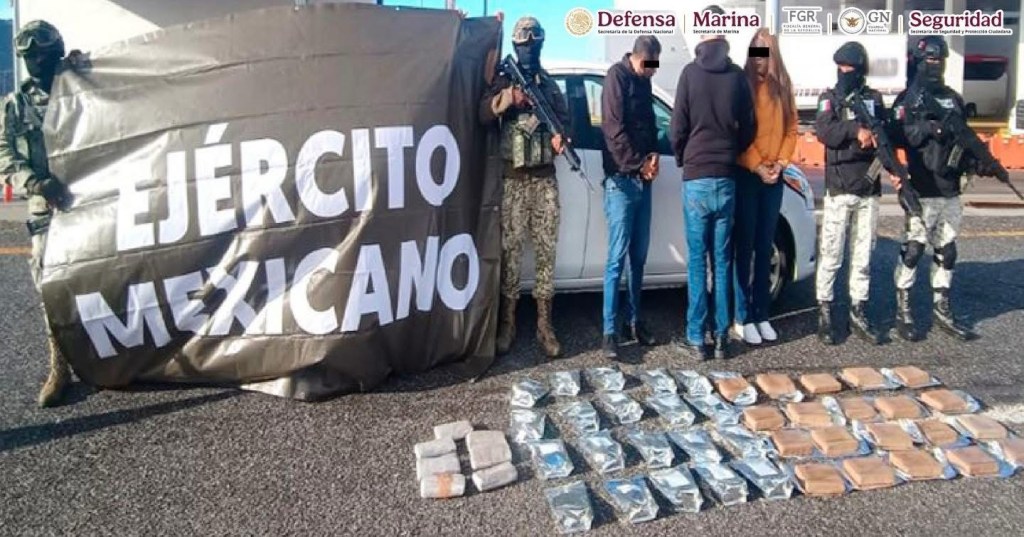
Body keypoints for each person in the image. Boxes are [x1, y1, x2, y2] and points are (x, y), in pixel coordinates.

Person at [669, 5, 756, 360]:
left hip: (697, 177)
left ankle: (696, 338)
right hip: (726, 176)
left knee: (696, 263)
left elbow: (677, 127)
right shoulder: (737, 76)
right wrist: (731, 151)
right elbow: (749, 126)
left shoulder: (690, 73)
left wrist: (683, 158)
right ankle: (721, 338)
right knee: (722, 262)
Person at [479, 16, 569, 358]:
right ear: (516, 46)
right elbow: (481, 112)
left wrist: (562, 139)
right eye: (523, 44)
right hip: (513, 182)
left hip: (544, 180)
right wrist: (508, 97)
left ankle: (545, 326)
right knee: (511, 254)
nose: (529, 48)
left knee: (546, 253)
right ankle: (507, 324)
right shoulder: (504, 80)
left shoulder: (549, 85)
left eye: (534, 43)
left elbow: (566, 122)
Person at [891, 35, 991, 342]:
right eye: (929, 60)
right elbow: (895, 137)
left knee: (947, 250)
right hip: (921, 188)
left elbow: (965, 139)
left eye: (939, 60)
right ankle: (903, 310)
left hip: (950, 188)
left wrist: (978, 162)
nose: (935, 65)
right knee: (913, 249)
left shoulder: (954, 99)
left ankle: (942, 307)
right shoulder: (908, 100)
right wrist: (928, 129)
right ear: (919, 62)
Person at [0, 20, 74, 406]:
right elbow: (4, 152)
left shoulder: (82, 88)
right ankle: (59, 366)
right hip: (46, 207)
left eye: (43, 56)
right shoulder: (16, 104)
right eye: (29, 58)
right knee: (51, 287)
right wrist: (34, 182)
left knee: (110, 275)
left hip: (91, 199)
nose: (36, 64)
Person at [812, 41, 887, 345]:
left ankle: (859, 309)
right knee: (831, 253)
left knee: (863, 255)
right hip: (839, 187)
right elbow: (825, 132)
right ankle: (825, 310)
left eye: (850, 68)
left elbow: (885, 134)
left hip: (869, 188)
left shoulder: (874, 99)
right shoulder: (829, 99)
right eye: (841, 67)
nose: (845, 72)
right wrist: (856, 131)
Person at [731, 28, 798, 346]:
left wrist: (781, 163)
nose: (758, 58)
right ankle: (742, 316)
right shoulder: (743, 84)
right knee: (743, 247)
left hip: (774, 176)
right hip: (748, 175)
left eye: (764, 51)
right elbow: (738, 132)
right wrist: (757, 165)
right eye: (754, 51)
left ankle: (761, 314)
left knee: (764, 246)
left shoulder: (783, 86)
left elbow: (792, 129)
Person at [598, 36, 662, 359]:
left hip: (642, 182)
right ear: (638, 57)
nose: (652, 72)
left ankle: (634, 322)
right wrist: (639, 164)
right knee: (616, 259)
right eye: (649, 66)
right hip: (621, 182)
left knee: (638, 258)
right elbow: (614, 130)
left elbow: (650, 123)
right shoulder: (616, 77)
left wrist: (655, 155)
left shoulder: (644, 81)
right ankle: (609, 331)